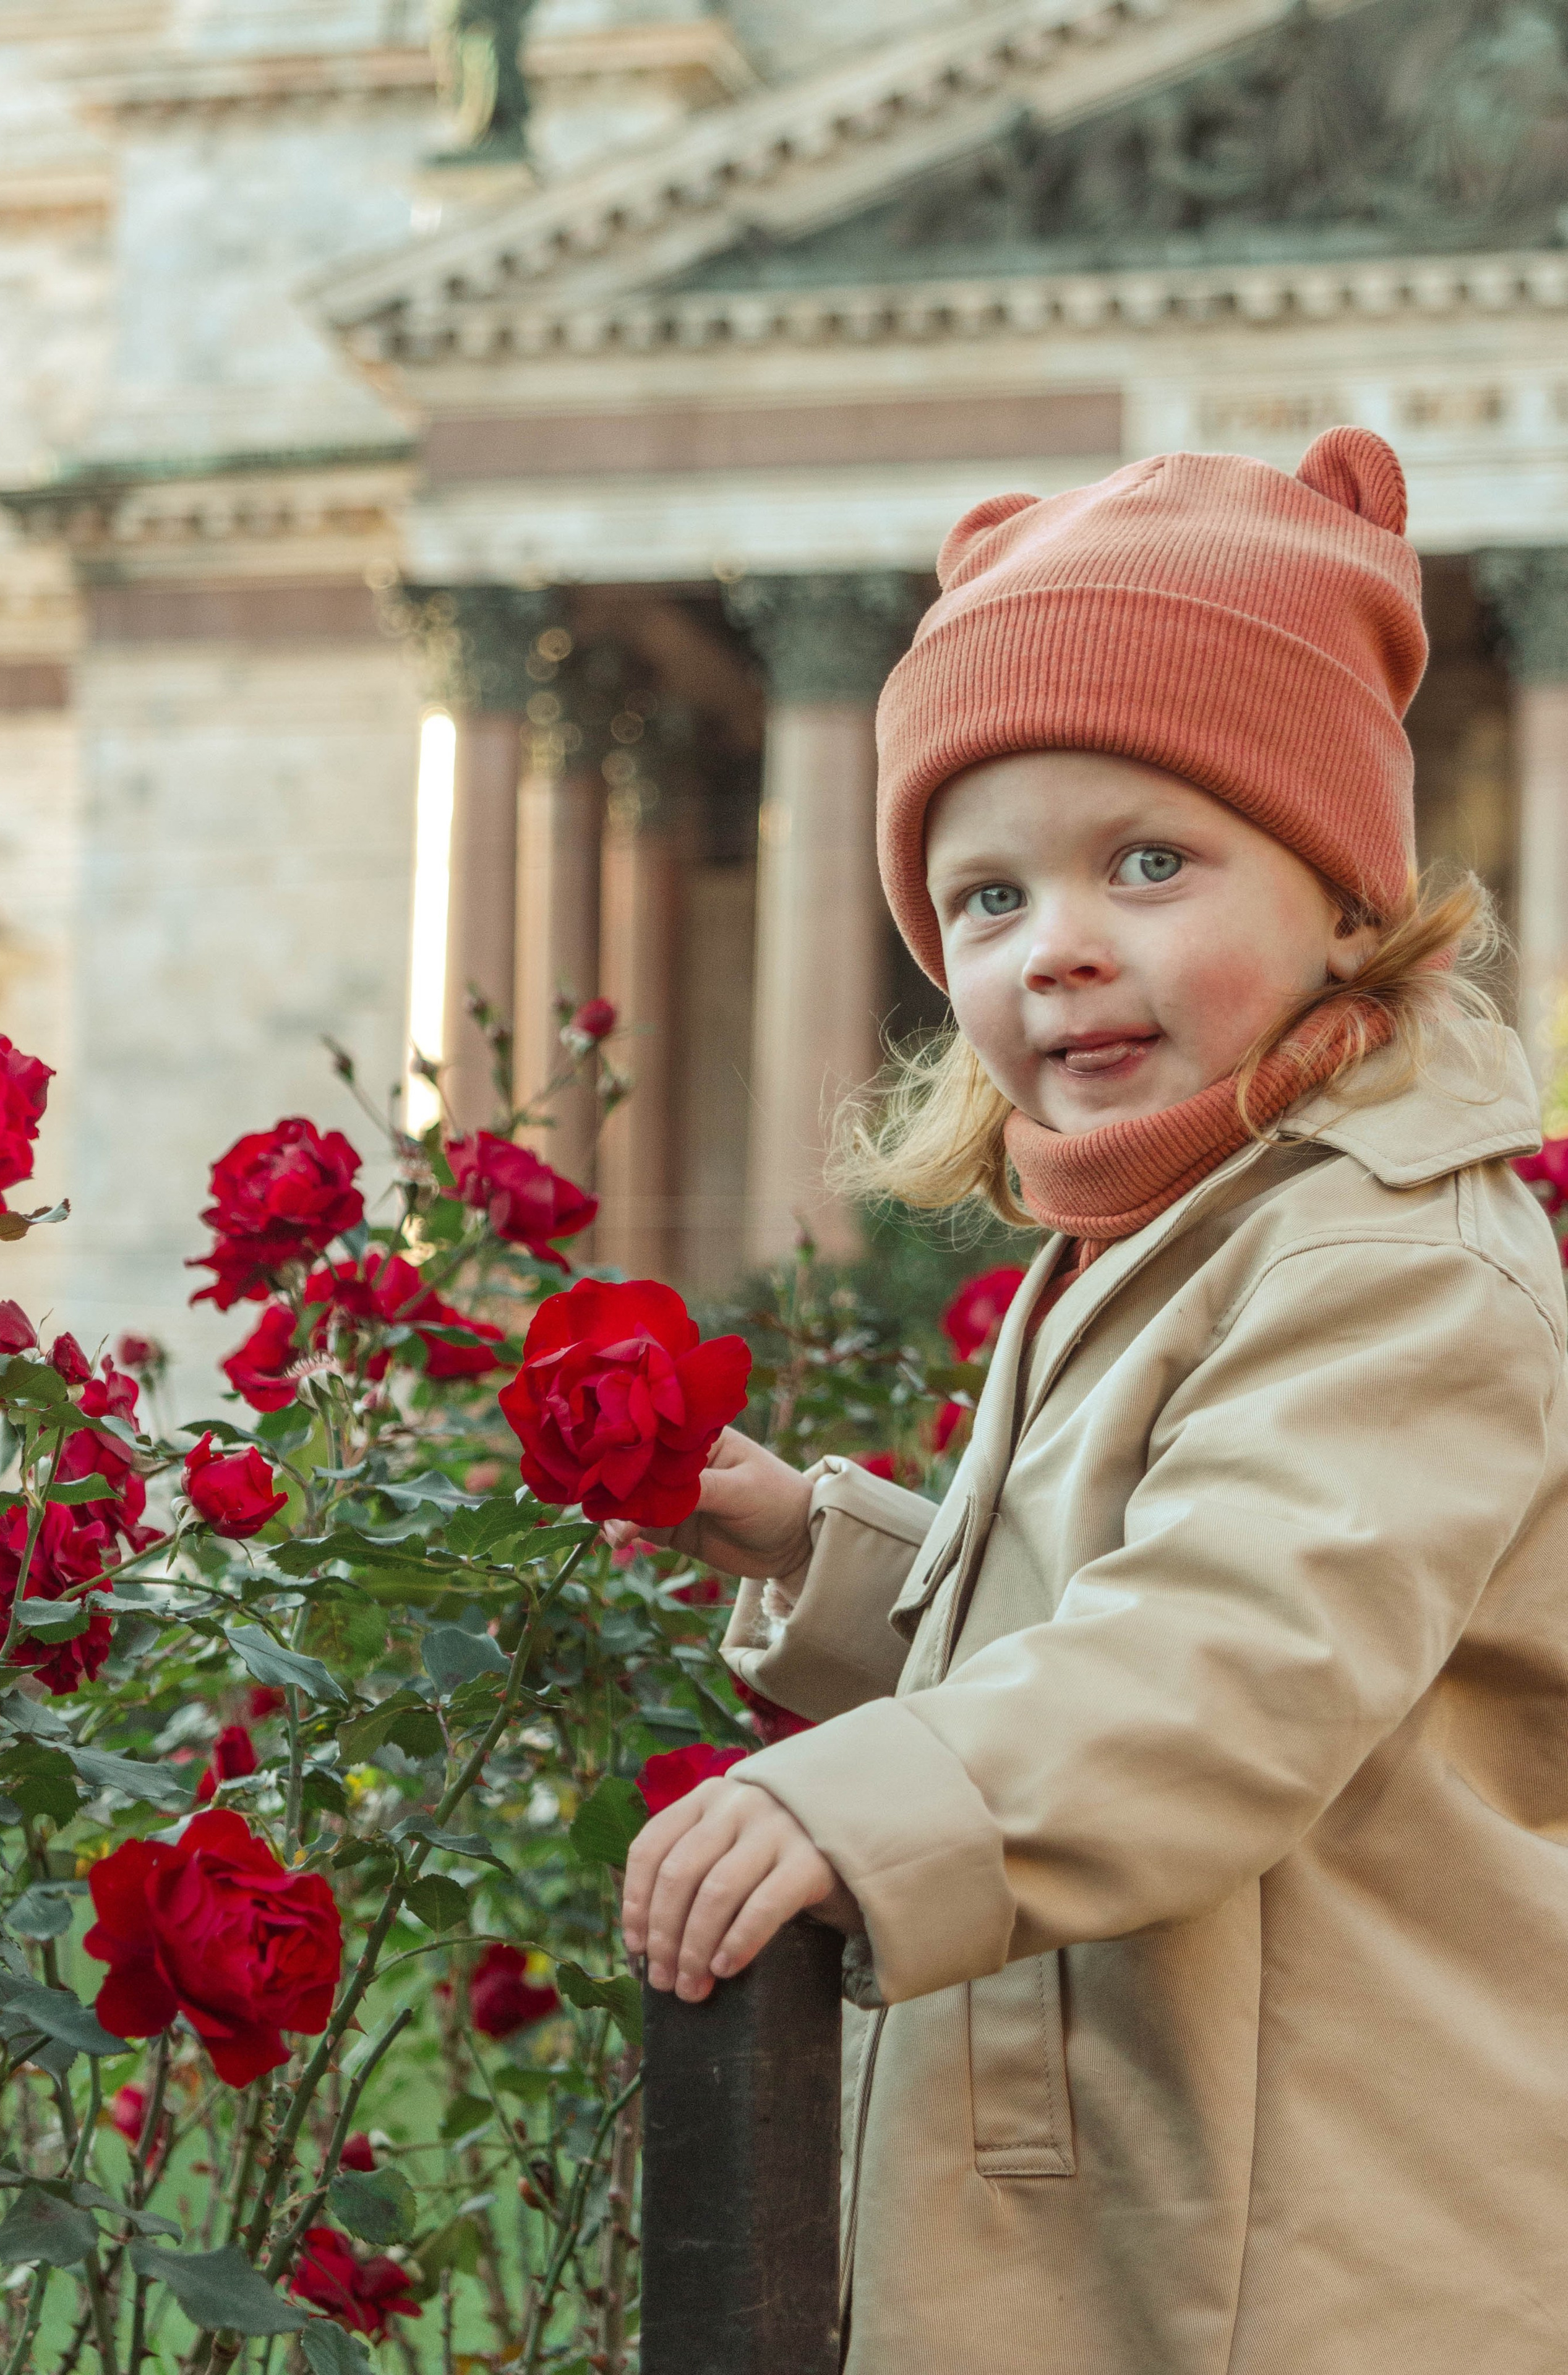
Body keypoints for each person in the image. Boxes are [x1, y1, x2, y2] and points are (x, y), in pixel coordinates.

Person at [619, 429, 1568, 2373]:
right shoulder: (1194, 1224)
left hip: (1320, 2255)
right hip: (1169, 2203)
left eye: (1150, 859)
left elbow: (1232, 1663)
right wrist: (822, 1544)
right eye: (982, 899)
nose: (1055, 942)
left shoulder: (1389, 1259)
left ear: (1341, 896)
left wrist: (860, 1800)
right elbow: (1098, 1611)